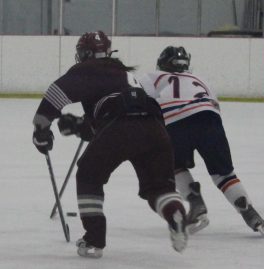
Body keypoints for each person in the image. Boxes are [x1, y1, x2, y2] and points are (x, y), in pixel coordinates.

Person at [32, 31, 188, 258]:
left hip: (120, 126)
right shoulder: (123, 73)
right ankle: (176, 213)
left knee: (88, 174)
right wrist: (78, 126)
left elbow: (57, 94)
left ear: (85, 53)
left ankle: (94, 241)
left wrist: (40, 128)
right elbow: (108, 115)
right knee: (159, 188)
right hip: (155, 129)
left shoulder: (87, 69)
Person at [139, 46, 264, 236]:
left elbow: (144, 103)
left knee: (175, 166)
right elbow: (214, 105)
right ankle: (249, 212)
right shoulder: (200, 79)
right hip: (210, 121)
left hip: (175, 122)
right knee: (224, 174)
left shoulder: (152, 76)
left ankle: (195, 202)